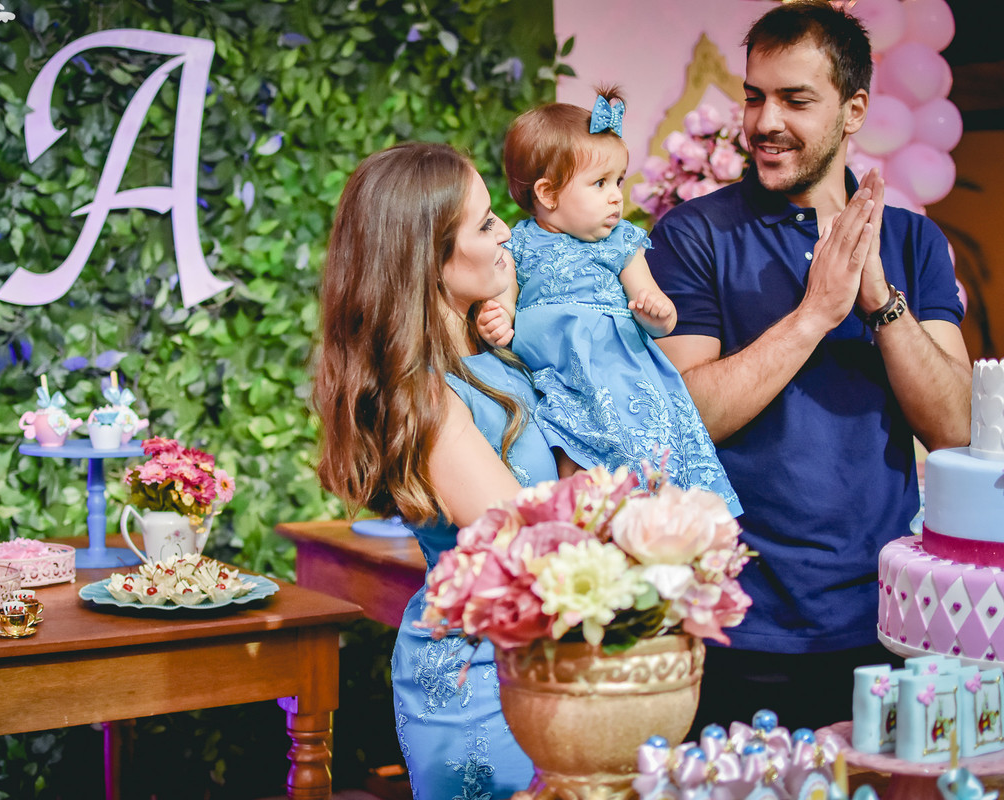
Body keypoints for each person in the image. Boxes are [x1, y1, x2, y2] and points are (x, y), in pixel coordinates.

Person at [645, 0, 972, 732]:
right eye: (754, 95)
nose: (765, 122)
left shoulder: (915, 243)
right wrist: (814, 316)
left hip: (889, 624)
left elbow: (956, 429)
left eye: (795, 100)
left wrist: (880, 302)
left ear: (854, 110)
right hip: (737, 623)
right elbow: (680, 422)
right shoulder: (692, 236)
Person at [312, 142, 559, 798]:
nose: (505, 229)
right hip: (477, 676)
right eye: (483, 225)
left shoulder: (483, 360)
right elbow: (521, 541)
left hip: (528, 659)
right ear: (428, 260)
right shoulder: (424, 394)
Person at [477, 87, 741, 516]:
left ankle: (648, 521)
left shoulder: (621, 243)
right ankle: (581, 529)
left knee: (638, 459)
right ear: (548, 193)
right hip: (555, 378)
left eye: (618, 180)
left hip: (616, 378)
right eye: (600, 183)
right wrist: (500, 316)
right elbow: (506, 296)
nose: (617, 195)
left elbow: (652, 305)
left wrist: (658, 313)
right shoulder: (519, 243)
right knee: (569, 464)